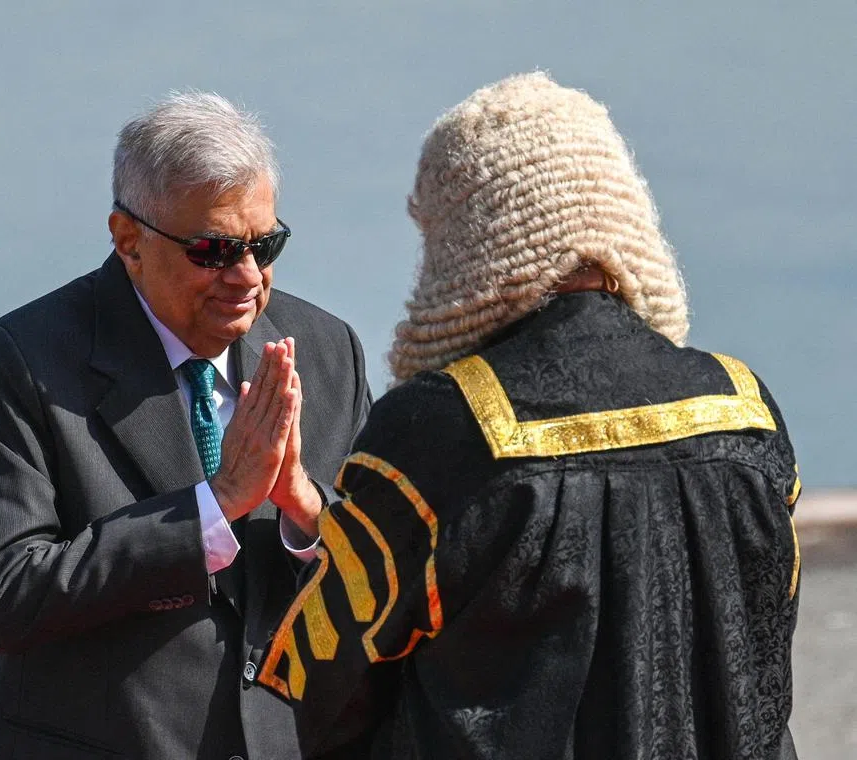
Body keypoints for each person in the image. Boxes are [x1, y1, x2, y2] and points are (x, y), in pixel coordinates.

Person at [257, 73, 801, 759]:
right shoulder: (743, 408)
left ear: (463, 241)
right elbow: (765, 654)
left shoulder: (438, 428)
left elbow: (322, 683)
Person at [0, 91, 370, 760]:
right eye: (213, 250)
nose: (246, 277)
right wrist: (213, 508)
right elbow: (12, 595)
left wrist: (302, 502)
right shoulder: (27, 359)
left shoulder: (326, 352)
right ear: (130, 241)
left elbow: (384, 575)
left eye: (265, 245)